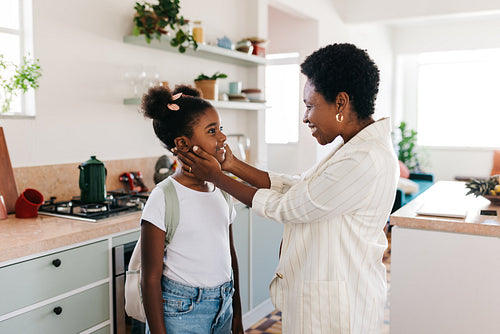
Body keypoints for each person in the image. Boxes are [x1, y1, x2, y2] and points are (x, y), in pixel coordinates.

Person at [174, 43, 399, 333]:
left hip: (338, 308)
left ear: (341, 103)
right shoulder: (354, 148)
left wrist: (217, 178)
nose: (306, 118)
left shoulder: (365, 157)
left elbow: (290, 206)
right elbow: (301, 186)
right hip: (328, 299)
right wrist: (232, 165)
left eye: (310, 106)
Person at [139, 85, 244, 334]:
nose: (222, 137)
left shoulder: (221, 190)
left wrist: (237, 315)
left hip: (224, 307)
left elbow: (230, 256)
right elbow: (150, 278)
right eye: (212, 131)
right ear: (183, 144)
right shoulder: (164, 197)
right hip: (181, 313)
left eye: (221, 128)